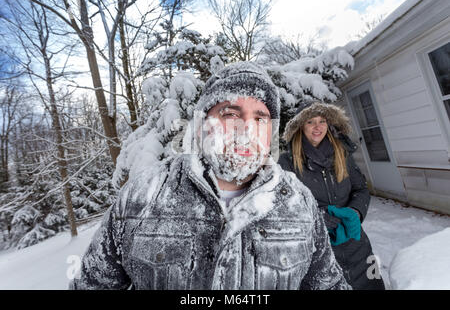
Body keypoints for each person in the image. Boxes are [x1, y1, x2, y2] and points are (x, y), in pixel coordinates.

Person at [70, 62, 350, 290]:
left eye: (260, 118)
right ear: (203, 124)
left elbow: (329, 284)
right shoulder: (142, 197)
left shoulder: (297, 200)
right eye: (230, 114)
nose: (246, 130)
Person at [278, 102, 385, 290]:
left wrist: (355, 212)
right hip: (317, 251)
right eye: (310, 122)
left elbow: (360, 189)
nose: (317, 127)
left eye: (322, 121)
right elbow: (283, 206)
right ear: (301, 127)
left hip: (357, 243)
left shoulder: (342, 154)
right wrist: (318, 219)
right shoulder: (287, 162)